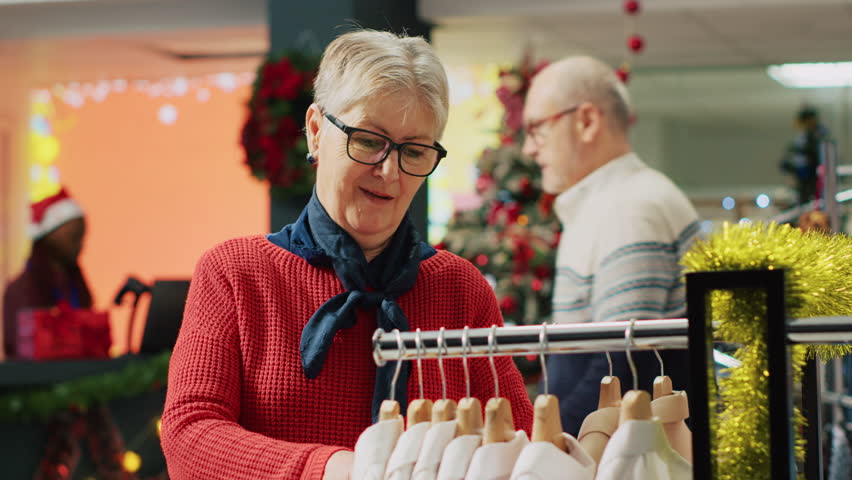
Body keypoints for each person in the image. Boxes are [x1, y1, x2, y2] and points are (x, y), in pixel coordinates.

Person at [160, 30, 533, 480]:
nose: (389, 171)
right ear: (316, 131)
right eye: (369, 140)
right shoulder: (236, 274)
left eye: (414, 150)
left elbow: (519, 440)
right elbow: (189, 435)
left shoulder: (459, 288)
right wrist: (335, 469)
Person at [521, 56, 700, 436]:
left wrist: (550, 444)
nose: (528, 149)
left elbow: (622, 370)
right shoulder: (612, 203)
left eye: (536, 128)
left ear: (586, 121)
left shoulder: (630, 209)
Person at [3, 188, 91, 359]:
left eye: (81, 238)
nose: (80, 246)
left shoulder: (76, 284)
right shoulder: (22, 289)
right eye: (74, 237)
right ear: (50, 235)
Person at [780, 106, 832, 205]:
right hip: (804, 180)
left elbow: (816, 157)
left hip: (813, 180)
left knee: (813, 204)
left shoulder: (818, 137)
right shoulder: (803, 138)